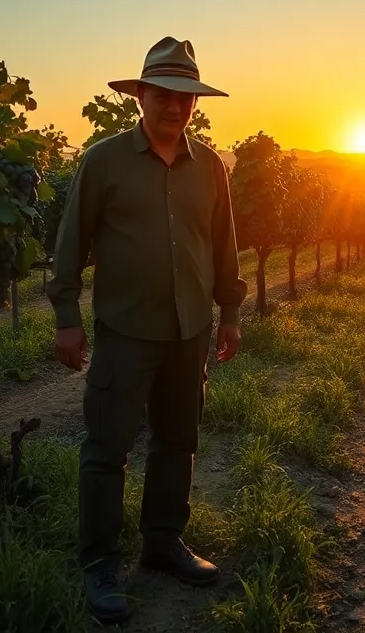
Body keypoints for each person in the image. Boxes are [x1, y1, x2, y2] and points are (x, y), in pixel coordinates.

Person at [46, 35, 247, 624]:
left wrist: (229, 312)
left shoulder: (211, 167)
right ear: (141, 96)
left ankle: (161, 543)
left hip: (190, 331)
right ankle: (101, 562)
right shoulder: (103, 161)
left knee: (177, 440)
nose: (175, 106)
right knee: (107, 448)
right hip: (125, 330)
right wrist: (66, 319)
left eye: (185, 96)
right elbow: (70, 243)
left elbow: (224, 245)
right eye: (163, 94)